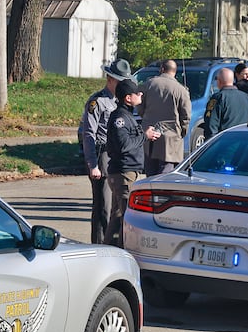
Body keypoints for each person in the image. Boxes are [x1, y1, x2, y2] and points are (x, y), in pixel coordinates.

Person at [103, 79, 160, 247]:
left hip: (127, 173)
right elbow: (123, 145)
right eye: (137, 93)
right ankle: (117, 251)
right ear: (128, 98)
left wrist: (145, 134)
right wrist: (144, 136)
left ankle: (109, 249)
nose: (140, 94)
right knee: (126, 217)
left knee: (118, 216)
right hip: (123, 174)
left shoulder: (127, 116)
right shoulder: (120, 118)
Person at [80, 58, 131, 244]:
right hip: (103, 156)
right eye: (120, 81)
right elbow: (88, 134)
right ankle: (99, 246)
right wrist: (92, 164)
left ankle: (112, 245)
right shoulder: (97, 102)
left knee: (117, 208)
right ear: (110, 79)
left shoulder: (122, 101)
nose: (123, 85)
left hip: (118, 157)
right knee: (103, 207)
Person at [137, 59, 192, 176]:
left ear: (162, 69)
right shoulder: (181, 90)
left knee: (150, 175)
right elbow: (186, 115)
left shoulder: (148, 84)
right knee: (166, 175)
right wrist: (182, 132)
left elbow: (140, 107)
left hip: (149, 135)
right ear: (175, 71)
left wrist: (147, 120)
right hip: (171, 138)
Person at [203, 68, 248, 139]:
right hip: (243, 142)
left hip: (224, 142)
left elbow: (211, 125)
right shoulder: (247, 97)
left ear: (219, 81)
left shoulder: (218, 98)